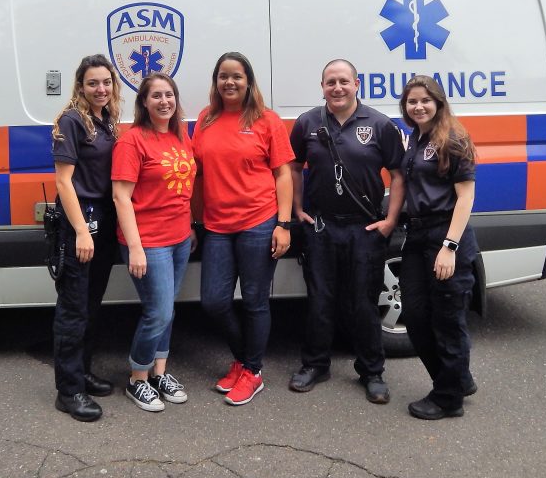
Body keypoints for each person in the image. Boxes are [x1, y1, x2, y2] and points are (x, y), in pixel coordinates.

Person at [288, 59, 404, 403]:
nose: (336, 88)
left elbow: (398, 175)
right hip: (322, 226)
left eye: (343, 81)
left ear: (356, 84)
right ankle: (315, 365)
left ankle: (371, 372)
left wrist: (391, 220)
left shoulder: (380, 124)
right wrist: (297, 209)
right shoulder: (307, 123)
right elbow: (294, 168)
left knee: (364, 304)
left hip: (364, 227)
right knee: (320, 301)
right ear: (322, 87)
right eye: (329, 82)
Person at [192, 52, 295, 406]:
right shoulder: (205, 119)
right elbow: (199, 174)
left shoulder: (267, 121)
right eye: (223, 76)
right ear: (215, 81)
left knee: (254, 301)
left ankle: (253, 371)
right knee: (214, 302)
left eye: (237, 76)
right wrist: (195, 221)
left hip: (258, 221)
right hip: (217, 226)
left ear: (249, 81)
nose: (229, 82)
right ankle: (242, 360)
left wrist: (283, 224)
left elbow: (283, 173)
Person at [112, 73, 197, 412]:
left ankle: (159, 373)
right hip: (149, 242)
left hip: (178, 238)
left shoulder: (180, 136)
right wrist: (135, 246)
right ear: (144, 103)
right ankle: (137, 379)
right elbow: (121, 196)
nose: (164, 101)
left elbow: (184, 188)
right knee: (158, 311)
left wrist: (189, 227)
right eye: (156, 96)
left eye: (169, 95)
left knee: (167, 311)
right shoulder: (131, 142)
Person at [398, 75, 479, 419]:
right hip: (416, 237)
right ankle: (459, 378)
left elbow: (465, 197)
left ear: (439, 102)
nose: (418, 106)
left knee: (447, 320)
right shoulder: (416, 138)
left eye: (425, 101)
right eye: (411, 101)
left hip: (445, 236)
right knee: (415, 316)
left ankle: (449, 398)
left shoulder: (454, 137)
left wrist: (449, 246)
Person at [51, 54, 123, 422]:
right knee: (74, 309)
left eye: (106, 82)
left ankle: (83, 371)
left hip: (105, 222)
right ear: (80, 86)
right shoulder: (72, 121)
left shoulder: (107, 121)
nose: (101, 89)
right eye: (93, 83)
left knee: (92, 304)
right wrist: (80, 230)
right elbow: (64, 181)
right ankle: (69, 390)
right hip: (82, 222)